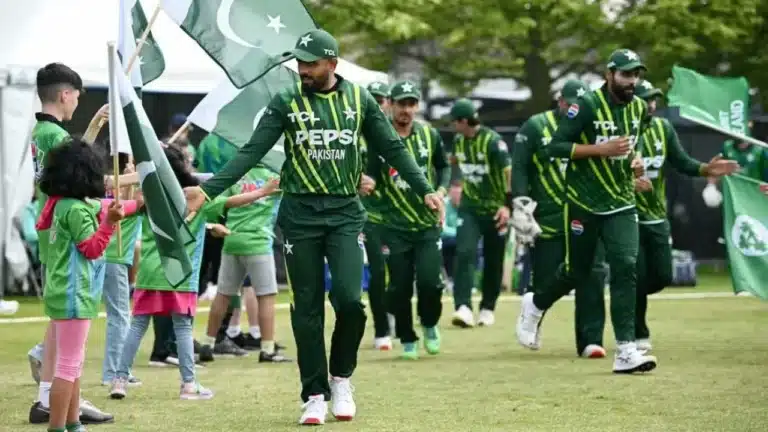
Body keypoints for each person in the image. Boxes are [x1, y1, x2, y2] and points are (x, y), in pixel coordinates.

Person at [182, 29, 443, 425]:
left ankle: (341, 379)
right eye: (300, 62)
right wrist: (210, 190)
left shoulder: (359, 100)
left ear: (332, 64)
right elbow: (252, 150)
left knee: (351, 302)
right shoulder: (286, 100)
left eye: (311, 63)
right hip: (300, 216)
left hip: (344, 215)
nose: (303, 69)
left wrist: (426, 189)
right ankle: (314, 394)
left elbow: (391, 147)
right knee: (306, 309)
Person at [515, 49, 657, 374]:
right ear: (610, 74)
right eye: (625, 74)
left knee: (625, 267)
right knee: (578, 272)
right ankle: (535, 303)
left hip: (621, 201)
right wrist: (600, 150)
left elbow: (629, 145)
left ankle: (626, 350)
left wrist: (634, 161)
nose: (632, 81)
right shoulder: (587, 105)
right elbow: (555, 147)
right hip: (584, 202)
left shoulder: (637, 108)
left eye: (636, 74)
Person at [109, 145, 281, 400]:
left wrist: (131, 176)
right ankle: (189, 384)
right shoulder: (197, 197)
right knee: (182, 328)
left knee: (137, 326)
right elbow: (233, 202)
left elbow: (123, 203)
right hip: (181, 278)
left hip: (150, 275)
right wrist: (262, 192)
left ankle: (119, 380)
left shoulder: (150, 198)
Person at [27, 62, 114, 425]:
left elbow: (74, 162)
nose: (77, 101)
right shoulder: (52, 135)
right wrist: (136, 180)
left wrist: (93, 127)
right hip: (66, 233)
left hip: (52, 229)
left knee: (59, 318)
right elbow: (80, 171)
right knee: (67, 322)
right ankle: (53, 397)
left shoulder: (43, 131)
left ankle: (53, 397)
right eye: (77, 95)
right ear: (65, 94)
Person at [631, 80, 738, 350]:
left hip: (656, 214)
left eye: (653, 99)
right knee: (637, 274)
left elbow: (682, 162)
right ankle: (637, 330)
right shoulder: (620, 131)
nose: (651, 105)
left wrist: (707, 170)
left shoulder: (662, 128)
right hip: (627, 215)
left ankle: (626, 301)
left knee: (663, 275)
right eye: (646, 99)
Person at [511, 79, 610, 358]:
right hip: (548, 216)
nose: (573, 109)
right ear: (560, 101)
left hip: (587, 211)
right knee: (546, 278)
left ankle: (591, 340)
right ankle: (532, 321)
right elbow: (519, 165)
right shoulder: (535, 126)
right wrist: (520, 203)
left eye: (579, 105)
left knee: (592, 274)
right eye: (570, 104)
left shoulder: (592, 125)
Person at [36, 139, 129, 432]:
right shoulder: (75, 209)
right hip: (76, 293)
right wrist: (110, 223)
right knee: (68, 366)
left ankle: (73, 422)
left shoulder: (59, 204)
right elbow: (91, 248)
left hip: (63, 291)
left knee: (72, 363)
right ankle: (57, 426)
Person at [365, 80, 449, 360]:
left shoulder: (430, 135)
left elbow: (443, 166)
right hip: (394, 226)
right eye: (401, 103)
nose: (406, 110)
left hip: (426, 224)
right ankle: (407, 337)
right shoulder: (380, 138)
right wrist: (366, 182)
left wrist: (441, 190)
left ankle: (429, 323)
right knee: (399, 287)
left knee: (430, 283)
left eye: (411, 104)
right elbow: (372, 175)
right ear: (390, 104)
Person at [198, 163, 292, 363]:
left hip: (232, 241)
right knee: (266, 296)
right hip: (259, 243)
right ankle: (267, 349)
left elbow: (213, 205)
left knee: (223, 295)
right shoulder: (276, 173)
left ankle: (208, 343)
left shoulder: (236, 171)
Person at [447, 98, 512, 328]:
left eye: (455, 122)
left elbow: (509, 174)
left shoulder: (493, 142)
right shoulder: (458, 141)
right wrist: (454, 184)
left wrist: (507, 206)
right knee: (464, 252)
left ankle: (487, 308)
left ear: (464, 121)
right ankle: (463, 307)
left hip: (496, 210)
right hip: (470, 208)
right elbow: (452, 163)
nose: (453, 126)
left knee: (494, 260)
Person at [101, 154, 144, 386]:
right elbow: (132, 201)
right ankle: (114, 373)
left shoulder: (123, 188)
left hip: (109, 258)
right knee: (119, 316)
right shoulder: (120, 192)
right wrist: (134, 176)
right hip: (113, 258)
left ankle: (41, 352)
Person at [360, 80, 395, 350]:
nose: (378, 104)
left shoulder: (396, 133)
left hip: (397, 212)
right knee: (377, 271)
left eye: (381, 99)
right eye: (373, 98)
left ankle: (394, 313)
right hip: (367, 213)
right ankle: (381, 328)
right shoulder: (353, 130)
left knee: (400, 270)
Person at [702, 121, 766, 206]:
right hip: (734, 199)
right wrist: (711, 186)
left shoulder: (760, 151)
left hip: (755, 200)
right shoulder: (727, 147)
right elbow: (715, 167)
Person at [441, 181, 461, 287]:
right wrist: (460, 232)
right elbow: (442, 229)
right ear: (450, 193)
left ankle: (463, 281)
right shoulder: (444, 204)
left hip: (459, 239)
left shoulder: (465, 206)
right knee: (453, 244)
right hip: (444, 240)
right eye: (455, 194)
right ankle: (450, 279)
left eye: (459, 194)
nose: (457, 197)